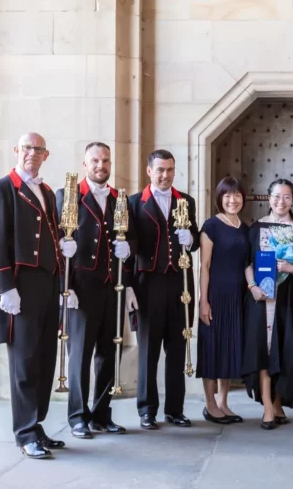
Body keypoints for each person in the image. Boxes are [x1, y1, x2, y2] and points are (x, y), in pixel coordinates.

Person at [0, 132, 75, 459]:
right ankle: (24, 433)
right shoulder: (0, 188)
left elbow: (48, 233)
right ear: (16, 151)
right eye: (26, 148)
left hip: (48, 285)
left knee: (44, 360)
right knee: (24, 362)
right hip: (19, 288)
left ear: (46, 155)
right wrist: (4, 287)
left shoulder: (47, 191)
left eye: (38, 149)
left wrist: (62, 249)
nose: (31, 153)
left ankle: (36, 426)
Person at [55, 142, 134, 439]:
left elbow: (131, 239)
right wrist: (66, 288)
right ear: (85, 164)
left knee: (109, 353)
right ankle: (78, 417)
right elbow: (57, 241)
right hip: (81, 289)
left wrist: (129, 249)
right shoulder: (68, 195)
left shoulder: (118, 198)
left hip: (113, 286)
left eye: (106, 161)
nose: (101, 165)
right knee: (80, 355)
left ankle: (101, 415)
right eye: (96, 161)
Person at [126, 149, 200, 430]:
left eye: (169, 170)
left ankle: (175, 410)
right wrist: (129, 287)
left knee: (177, 348)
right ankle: (147, 410)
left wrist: (190, 238)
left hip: (179, 283)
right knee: (148, 350)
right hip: (147, 284)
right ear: (149, 171)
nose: (165, 175)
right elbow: (128, 249)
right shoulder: (135, 203)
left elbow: (194, 241)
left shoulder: (186, 201)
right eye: (160, 170)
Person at [242, 179, 293, 430]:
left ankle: (279, 401)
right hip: (262, 298)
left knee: (287, 348)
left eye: (287, 197)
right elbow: (247, 263)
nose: (281, 202)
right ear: (269, 198)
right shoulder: (257, 228)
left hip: (290, 298)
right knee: (263, 349)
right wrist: (253, 286)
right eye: (276, 196)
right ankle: (267, 407)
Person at [197, 177, 250, 425]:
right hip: (216, 296)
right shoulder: (211, 226)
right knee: (212, 348)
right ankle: (209, 404)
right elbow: (204, 266)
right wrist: (203, 301)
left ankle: (223, 402)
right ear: (220, 198)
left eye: (237, 195)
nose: (232, 200)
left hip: (237, 296)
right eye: (227, 195)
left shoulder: (245, 228)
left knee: (229, 348)